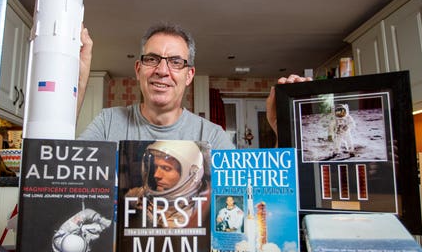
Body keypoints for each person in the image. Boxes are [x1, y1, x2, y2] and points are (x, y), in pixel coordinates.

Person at [76, 22, 311, 147]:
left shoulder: (212, 137)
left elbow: (253, 196)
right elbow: (58, 176)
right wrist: (77, 82)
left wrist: (285, 132)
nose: (162, 70)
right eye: (152, 59)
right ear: (139, 69)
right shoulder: (107, 124)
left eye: (175, 62)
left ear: (189, 76)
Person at [125, 140, 209, 228]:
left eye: (166, 168)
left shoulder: (197, 213)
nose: (156, 175)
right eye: (156, 166)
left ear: (192, 173)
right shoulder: (138, 195)